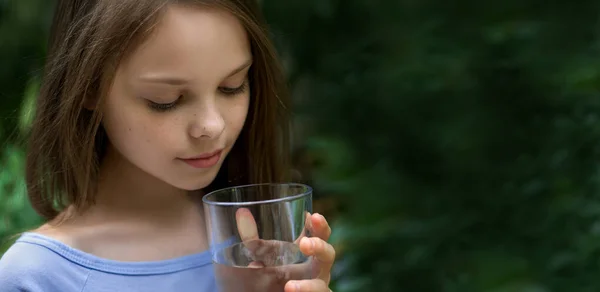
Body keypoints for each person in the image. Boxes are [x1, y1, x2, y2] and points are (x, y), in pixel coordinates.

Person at [0, 0, 336, 291]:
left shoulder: (263, 244)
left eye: (232, 87)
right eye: (167, 100)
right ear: (88, 87)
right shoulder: (36, 277)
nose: (212, 125)